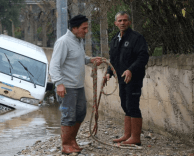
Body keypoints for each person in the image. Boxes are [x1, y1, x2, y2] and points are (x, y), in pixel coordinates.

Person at [49, 14, 102, 154]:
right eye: (84, 28)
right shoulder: (63, 42)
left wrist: (90, 60)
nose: (86, 31)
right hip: (67, 87)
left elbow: (78, 58)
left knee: (81, 113)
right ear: (74, 28)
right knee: (68, 115)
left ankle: (72, 140)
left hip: (78, 86)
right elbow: (54, 65)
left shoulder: (78, 40)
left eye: (86, 28)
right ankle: (65, 145)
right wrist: (59, 83)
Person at [104, 11, 149, 146]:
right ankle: (127, 135)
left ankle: (135, 138)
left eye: (125, 20)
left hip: (134, 78)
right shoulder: (114, 39)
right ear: (115, 23)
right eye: (120, 21)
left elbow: (143, 57)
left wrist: (131, 70)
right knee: (125, 104)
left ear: (129, 22)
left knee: (132, 105)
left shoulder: (137, 38)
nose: (122, 23)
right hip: (121, 78)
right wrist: (108, 72)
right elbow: (113, 59)